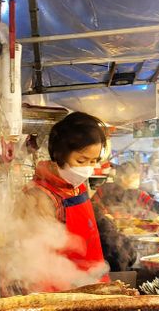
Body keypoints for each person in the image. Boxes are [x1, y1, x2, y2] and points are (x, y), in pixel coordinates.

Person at [25, 111, 109, 286]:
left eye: (93, 161)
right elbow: (35, 262)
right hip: (63, 292)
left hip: (93, 284)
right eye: (81, 160)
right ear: (60, 154)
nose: (87, 168)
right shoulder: (39, 196)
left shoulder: (78, 186)